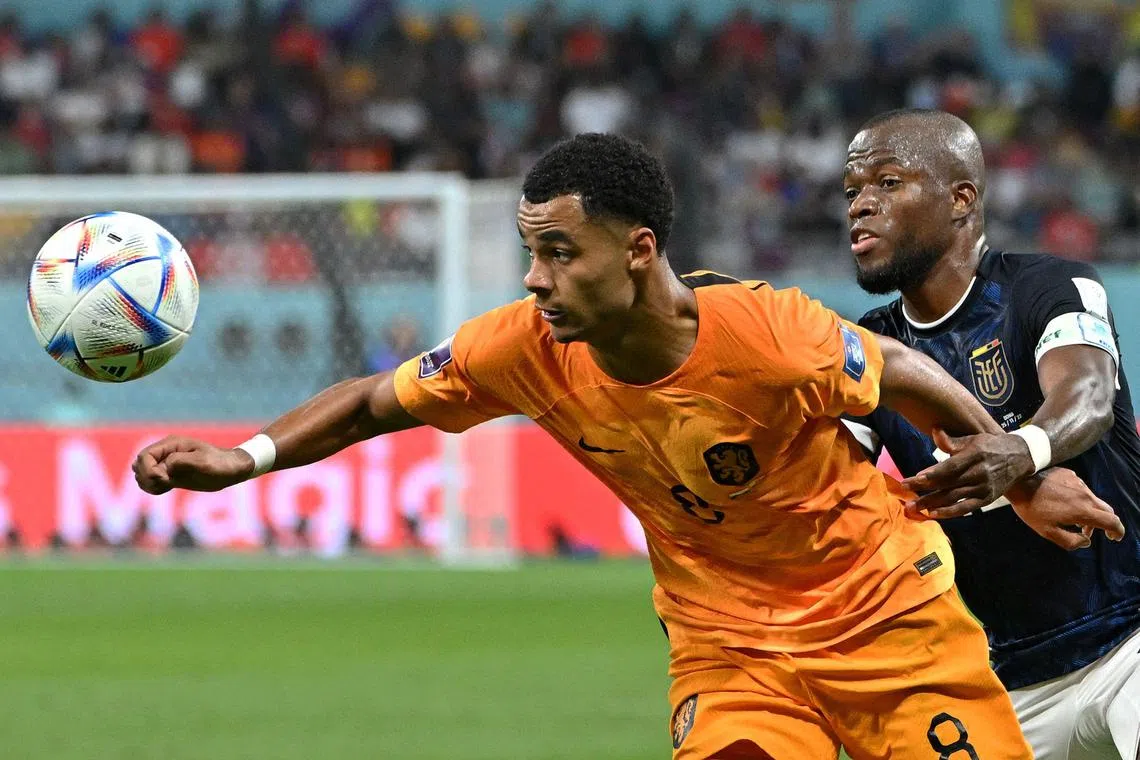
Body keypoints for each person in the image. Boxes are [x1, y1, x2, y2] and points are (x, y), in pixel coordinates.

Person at [133, 133, 1120, 759]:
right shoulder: (520, 349)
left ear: (638, 249)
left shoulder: (768, 330)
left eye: (559, 251)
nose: (534, 279)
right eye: (531, 251)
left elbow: (907, 375)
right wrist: (245, 457)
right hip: (732, 654)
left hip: (891, 628)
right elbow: (369, 402)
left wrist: (1015, 467)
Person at [841, 108, 1140, 759]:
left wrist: (1021, 451)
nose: (861, 206)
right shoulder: (872, 351)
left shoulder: (1052, 288)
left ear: (960, 198)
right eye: (853, 191)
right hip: (1012, 677)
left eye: (887, 184)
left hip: (1134, 640)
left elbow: (1085, 397)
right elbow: (839, 494)